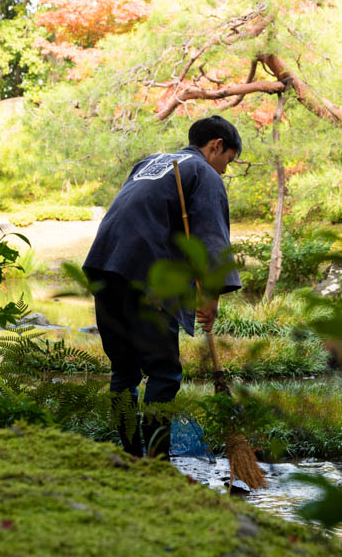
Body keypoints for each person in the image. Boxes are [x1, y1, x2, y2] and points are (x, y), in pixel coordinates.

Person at [83, 115, 242, 458]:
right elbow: (212, 240)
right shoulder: (204, 174)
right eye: (228, 161)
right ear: (216, 146)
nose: (225, 171)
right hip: (144, 274)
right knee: (164, 373)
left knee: (124, 371)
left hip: (104, 266)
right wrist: (211, 297)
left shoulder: (150, 162)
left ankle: (129, 455)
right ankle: (156, 460)